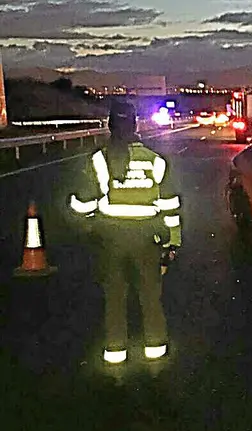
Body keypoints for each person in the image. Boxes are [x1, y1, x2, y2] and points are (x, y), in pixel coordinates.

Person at [69, 100, 181, 365]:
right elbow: (170, 205)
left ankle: (115, 352)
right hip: (148, 238)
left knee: (114, 296)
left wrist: (87, 222)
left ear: (110, 125)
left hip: (110, 238)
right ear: (135, 125)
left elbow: (83, 204)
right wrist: (173, 242)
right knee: (150, 296)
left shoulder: (99, 159)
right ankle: (155, 351)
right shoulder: (155, 160)